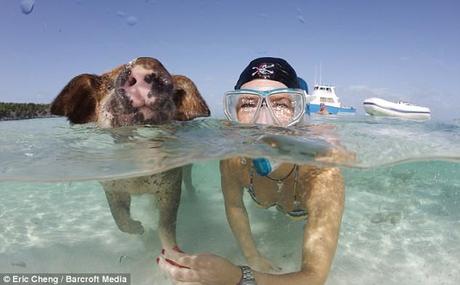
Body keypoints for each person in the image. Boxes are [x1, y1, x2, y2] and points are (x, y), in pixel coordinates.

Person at [158, 57, 351, 285]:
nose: (263, 122)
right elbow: (235, 205)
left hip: (299, 208)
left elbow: (314, 278)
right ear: (233, 113)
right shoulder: (234, 159)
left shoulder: (322, 174)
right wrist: (252, 257)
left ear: (300, 114)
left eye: (280, 104)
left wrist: (239, 277)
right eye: (248, 104)